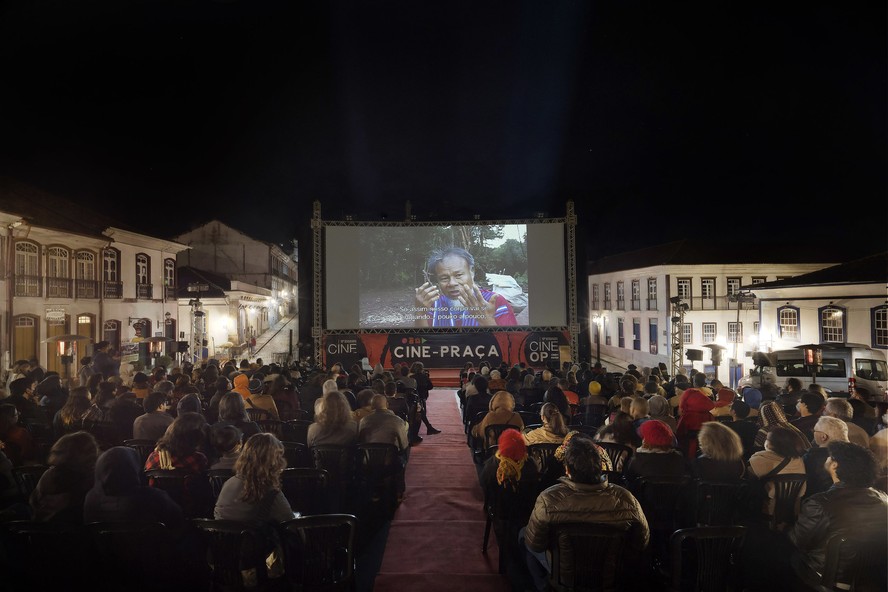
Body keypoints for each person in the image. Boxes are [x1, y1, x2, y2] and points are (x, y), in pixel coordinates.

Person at [522, 432, 650, 591]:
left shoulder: (548, 499)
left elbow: (536, 544)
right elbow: (641, 543)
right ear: (600, 466)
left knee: (523, 535)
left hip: (563, 577)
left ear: (567, 470)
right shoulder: (626, 499)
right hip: (609, 577)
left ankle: (543, 586)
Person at [789, 441, 888, 589]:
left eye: (830, 457)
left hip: (827, 577)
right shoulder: (884, 498)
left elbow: (799, 541)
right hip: (873, 576)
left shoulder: (820, 503)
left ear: (835, 465)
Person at [83, 445, 184, 529]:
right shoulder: (153, 498)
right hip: (155, 551)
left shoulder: (91, 499)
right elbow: (178, 521)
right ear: (132, 468)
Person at [413, 246, 517, 327]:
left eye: (458, 275)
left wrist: (487, 322)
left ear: (472, 273)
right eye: (444, 278)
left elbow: (512, 345)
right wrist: (420, 313)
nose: (452, 283)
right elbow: (423, 346)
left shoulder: (494, 302)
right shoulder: (433, 305)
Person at [29, 431, 99, 523]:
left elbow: (33, 501)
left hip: (39, 527)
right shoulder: (89, 478)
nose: (94, 454)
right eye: (89, 451)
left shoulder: (49, 474)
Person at [748, 426, 807, 524]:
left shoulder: (760, 459)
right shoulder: (798, 460)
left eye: (767, 439)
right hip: (793, 508)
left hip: (767, 508)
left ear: (773, 444)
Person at [623, 419, 687, 487]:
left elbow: (629, 482)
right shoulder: (679, 459)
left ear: (645, 440)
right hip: (676, 497)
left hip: (642, 497)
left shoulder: (636, 462)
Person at [801, 415, 849, 498]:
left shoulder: (811, 457)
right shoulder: (855, 454)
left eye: (815, 431)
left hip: (817, 502)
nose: (813, 432)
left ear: (823, 437)